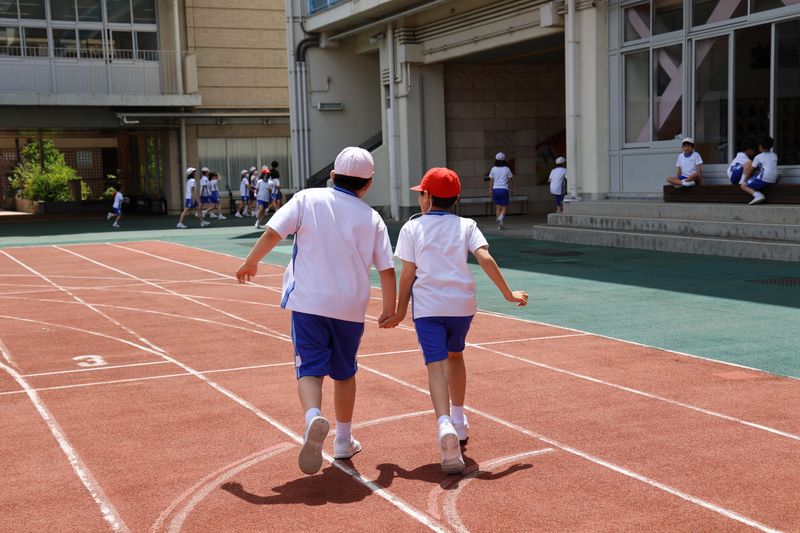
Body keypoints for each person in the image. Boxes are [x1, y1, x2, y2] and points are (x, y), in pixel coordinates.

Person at [236, 147, 396, 475]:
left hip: (309, 302)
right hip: (351, 306)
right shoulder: (372, 217)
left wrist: (251, 262)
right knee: (345, 373)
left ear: (333, 176)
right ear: (367, 185)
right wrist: (391, 307)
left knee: (309, 368)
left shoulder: (307, 199)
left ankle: (312, 417)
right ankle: (343, 439)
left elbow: (272, 233)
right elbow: (387, 269)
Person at [381, 167, 528, 474]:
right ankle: (459, 420)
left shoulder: (412, 229)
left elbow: (407, 274)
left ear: (427, 197)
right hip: (462, 306)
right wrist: (508, 293)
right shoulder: (467, 224)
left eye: (421, 193)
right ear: (456, 198)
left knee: (436, 365)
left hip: (429, 308)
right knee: (456, 355)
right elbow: (485, 258)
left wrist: (399, 311)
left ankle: (444, 422)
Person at [741, 136, 779, 205]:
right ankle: (758, 194)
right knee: (757, 177)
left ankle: (758, 196)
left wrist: (745, 180)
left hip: (764, 178)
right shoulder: (775, 155)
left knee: (744, 185)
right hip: (773, 179)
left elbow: (751, 170)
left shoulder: (758, 157)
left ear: (760, 146)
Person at [488, 152, 513, 229]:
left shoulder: (493, 169)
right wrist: (511, 189)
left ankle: (500, 225)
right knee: (504, 207)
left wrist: (490, 190)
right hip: (504, 190)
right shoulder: (507, 169)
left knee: (498, 208)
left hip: (495, 190)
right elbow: (510, 181)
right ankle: (500, 218)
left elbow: (491, 180)